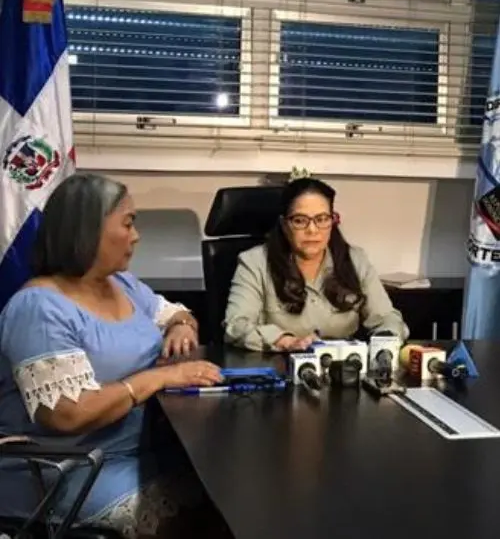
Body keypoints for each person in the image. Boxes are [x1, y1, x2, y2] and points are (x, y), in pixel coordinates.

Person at [0, 173, 224, 538]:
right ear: (87, 230)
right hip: (67, 470)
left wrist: (182, 326)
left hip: (140, 453)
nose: (136, 236)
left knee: (230, 493)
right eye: (128, 223)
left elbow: (175, 313)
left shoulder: (121, 284)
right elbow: (66, 415)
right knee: (198, 523)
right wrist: (159, 377)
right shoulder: (38, 308)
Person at [225, 176, 409, 351]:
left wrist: (385, 341)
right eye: (300, 221)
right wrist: (284, 341)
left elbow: (386, 317)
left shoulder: (355, 260)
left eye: (321, 219)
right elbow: (236, 325)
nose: (312, 230)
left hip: (344, 365)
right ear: (284, 224)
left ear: (332, 221)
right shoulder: (255, 262)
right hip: (281, 364)